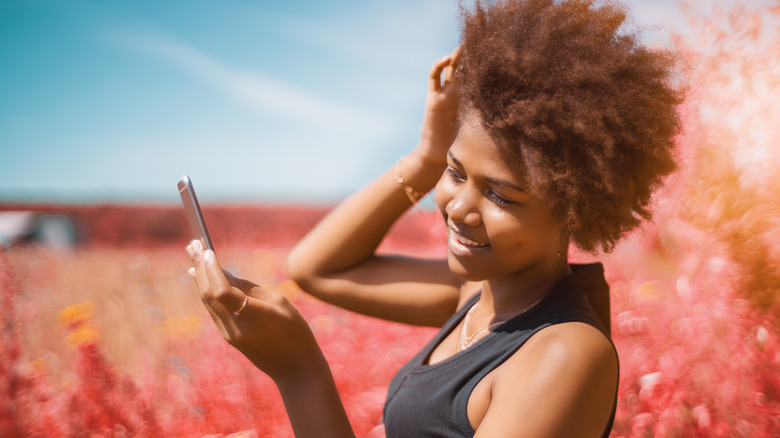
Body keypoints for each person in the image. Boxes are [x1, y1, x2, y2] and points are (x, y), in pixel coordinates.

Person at [186, 0, 682, 436]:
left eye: (502, 197)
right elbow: (317, 269)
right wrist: (427, 155)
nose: (460, 207)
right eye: (456, 172)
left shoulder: (564, 357)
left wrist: (300, 372)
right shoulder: (478, 297)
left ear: (576, 207)